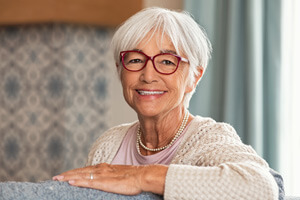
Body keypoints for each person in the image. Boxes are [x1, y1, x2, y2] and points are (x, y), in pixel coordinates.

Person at [53, 7, 279, 199]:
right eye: (135, 60)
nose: (148, 75)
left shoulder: (208, 138)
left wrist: (141, 176)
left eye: (167, 61)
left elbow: (262, 187)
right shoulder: (108, 144)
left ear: (194, 77)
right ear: (120, 70)